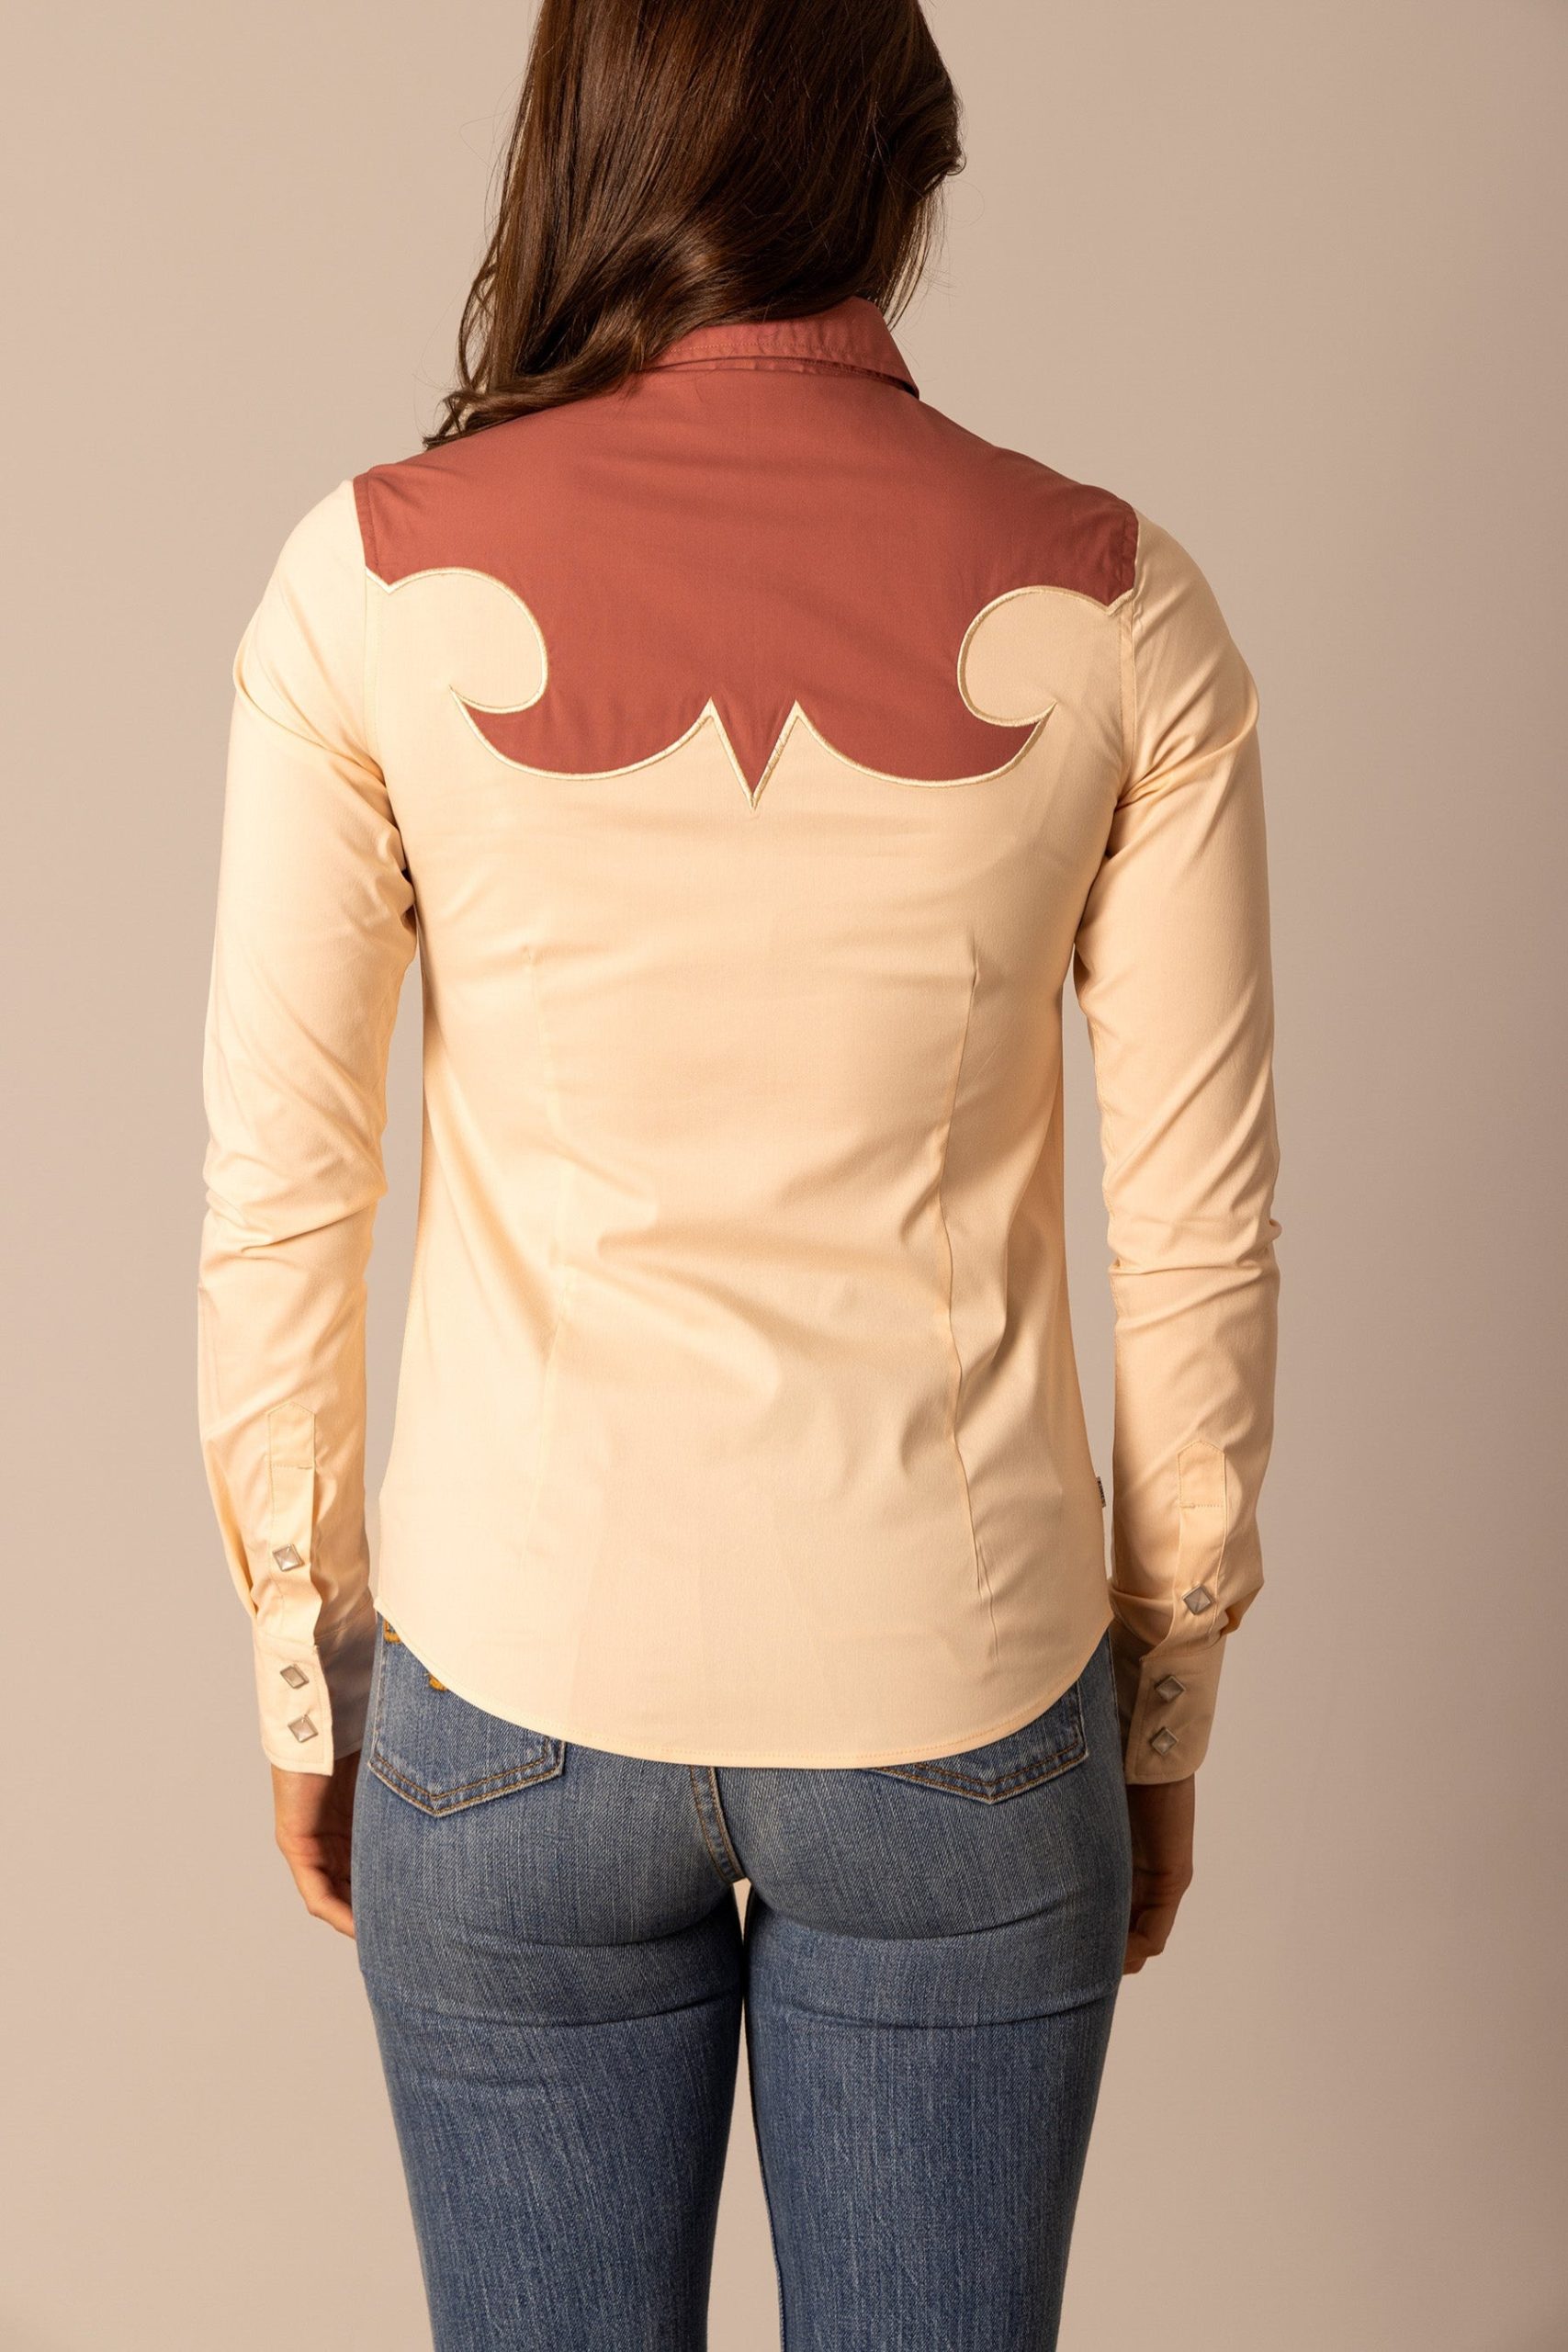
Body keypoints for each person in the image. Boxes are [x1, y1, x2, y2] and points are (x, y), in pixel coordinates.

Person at [195, 0, 1281, 2342]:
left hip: (510, 1689)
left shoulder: (362, 584)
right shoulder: (1116, 602)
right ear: (898, 171)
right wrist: (1161, 1698)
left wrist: (307, 1657)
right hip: (959, 1698)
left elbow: (282, 1181)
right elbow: (1194, 1231)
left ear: (581, 144)